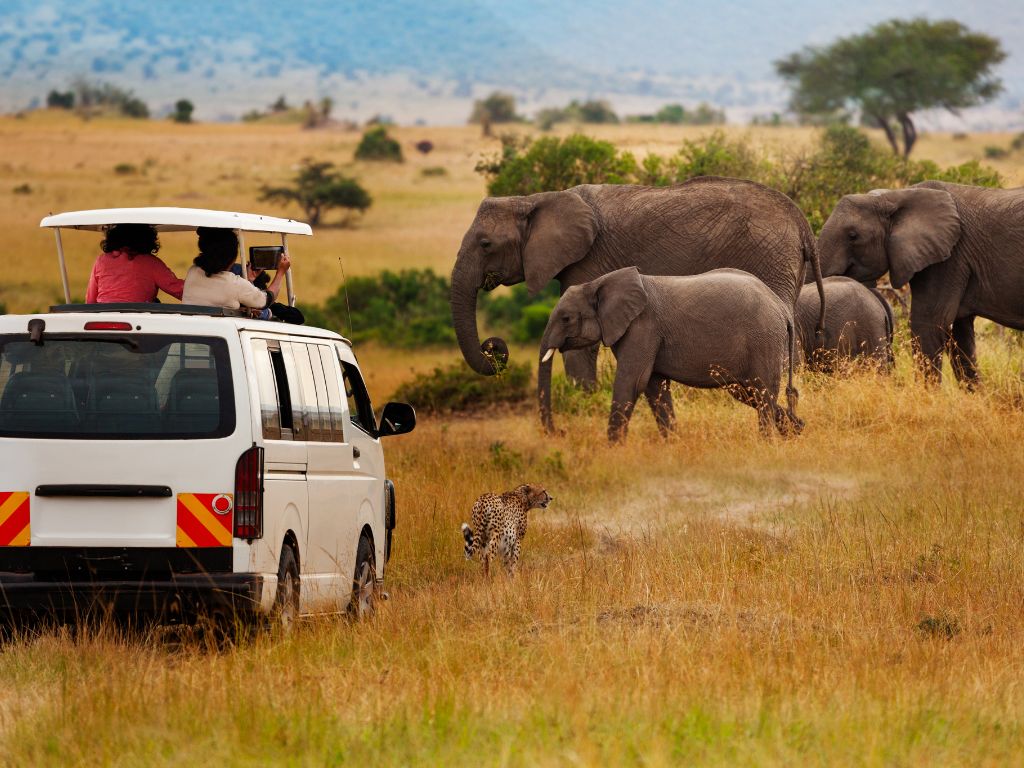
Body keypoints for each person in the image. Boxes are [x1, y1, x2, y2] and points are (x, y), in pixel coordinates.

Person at [182, 227, 290, 314]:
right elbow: (266, 300)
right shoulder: (235, 284)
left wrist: (249, 280)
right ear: (232, 257)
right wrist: (280, 272)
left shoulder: (192, 272)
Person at [85, 224, 184, 303]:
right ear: (147, 238)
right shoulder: (151, 263)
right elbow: (178, 289)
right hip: (139, 321)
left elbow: (90, 301)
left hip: (102, 319)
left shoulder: (101, 260)